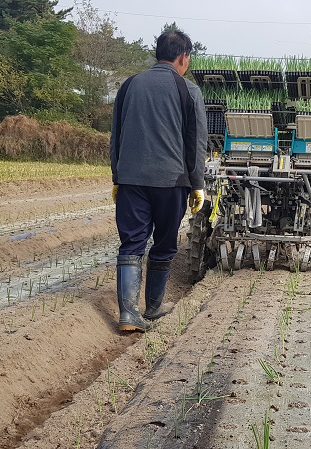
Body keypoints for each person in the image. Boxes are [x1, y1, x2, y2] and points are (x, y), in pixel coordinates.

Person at [109, 30, 207, 332]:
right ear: (183, 57)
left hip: (130, 180)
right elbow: (195, 142)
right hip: (171, 181)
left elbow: (117, 136)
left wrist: (117, 176)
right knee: (163, 245)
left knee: (132, 243)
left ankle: (128, 314)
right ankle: (152, 307)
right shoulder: (188, 91)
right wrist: (197, 183)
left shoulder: (129, 86)